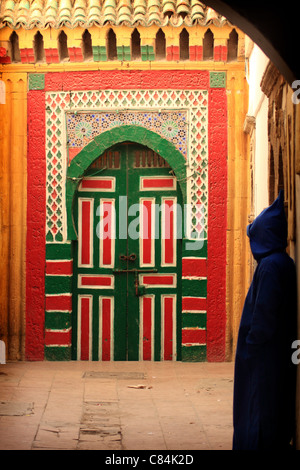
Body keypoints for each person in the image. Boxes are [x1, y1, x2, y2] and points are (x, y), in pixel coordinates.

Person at [233, 191, 297, 450]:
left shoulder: (271, 266)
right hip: (273, 354)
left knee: (258, 408)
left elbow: (264, 317)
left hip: (264, 358)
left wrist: (252, 346)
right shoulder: (281, 262)